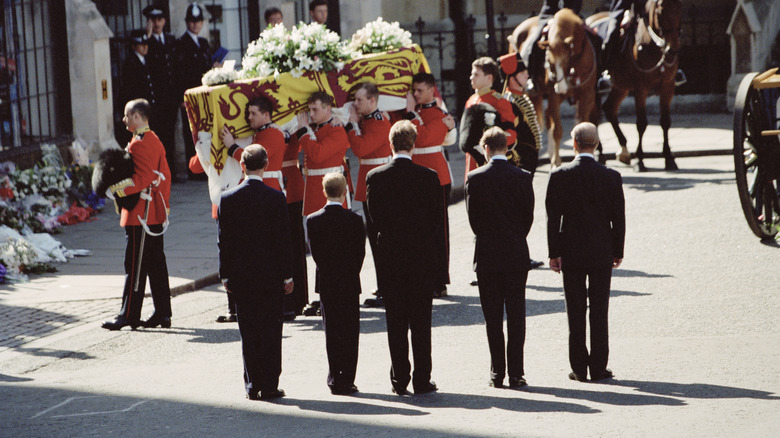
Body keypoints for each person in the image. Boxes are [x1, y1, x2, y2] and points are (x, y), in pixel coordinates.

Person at [365, 120, 447, 396]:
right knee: (421, 323)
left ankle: (400, 379)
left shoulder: (375, 177)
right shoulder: (429, 176)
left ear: (390, 144)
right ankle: (423, 379)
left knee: (396, 323)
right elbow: (437, 223)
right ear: (414, 144)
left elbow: (374, 220)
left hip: (391, 258)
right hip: (421, 258)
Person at [546, 122, 625, 382]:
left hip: (571, 250)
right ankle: (599, 367)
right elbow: (619, 219)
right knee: (599, 310)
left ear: (575, 144)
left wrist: (554, 252)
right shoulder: (611, 176)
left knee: (576, 310)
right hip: (601, 250)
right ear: (597, 144)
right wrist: (617, 250)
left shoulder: (559, 175)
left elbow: (553, 218)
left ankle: (579, 367)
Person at [218, 144, 294, 401]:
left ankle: (252, 384)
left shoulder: (227, 199)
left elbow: (224, 242)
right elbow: (284, 241)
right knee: (272, 330)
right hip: (271, 276)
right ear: (266, 165)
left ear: (242, 166)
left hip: (242, 277)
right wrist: (287, 275)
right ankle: (271, 384)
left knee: (248, 332)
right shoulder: (276, 198)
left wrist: (225, 275)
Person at [465, 126, 534, 389]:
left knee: (492, 317)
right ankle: (517, 372)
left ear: (486, 149)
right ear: (507, 148)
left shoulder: (475, 177)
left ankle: (497, 373)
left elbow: (474, 222)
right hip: (516, 252)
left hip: (488, 254)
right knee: (517, 315)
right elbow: (527, 218)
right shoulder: (523, 176)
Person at [102, 99, 172, 331]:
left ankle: (128, 314)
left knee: (135, 265)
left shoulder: (138, 144)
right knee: (155, 265)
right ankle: (163, 313)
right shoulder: (154, 139)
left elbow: (140, 179)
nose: (124, 119)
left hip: (140, 213)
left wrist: (115, 189)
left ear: (136, 117)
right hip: (154, 212)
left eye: (126, 115)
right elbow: (165, 176)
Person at [306, 173, 365, 395]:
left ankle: (334, 378)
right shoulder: (355, 219)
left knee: (331, 331)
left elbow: (316, 255)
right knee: (349, 331)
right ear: (344, 192)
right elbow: (360, 253)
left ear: (324, 192)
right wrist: (349, 273)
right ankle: (348, 378)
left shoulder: (313, 220)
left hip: (328, 282)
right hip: (349, 281)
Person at [402, 72, 455, 299]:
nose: (415, 94)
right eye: (413, 90)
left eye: (420, 90)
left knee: (438, 232)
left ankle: (439, 280)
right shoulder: (417, 113)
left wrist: (412, 114)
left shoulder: (439, 114)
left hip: (436, 178)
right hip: (415, 175)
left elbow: (422, 139)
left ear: (432, 90)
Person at [498, 52, 545, 271]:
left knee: (523, 210)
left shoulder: (521, 97)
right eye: (523, 73)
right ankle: (518, 255)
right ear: (513, 77)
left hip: (527, 161)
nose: (527, 76)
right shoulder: (509, 100)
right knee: (519, 211)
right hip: (519, 162)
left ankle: (520, 253)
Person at [176, 2, 216, 180]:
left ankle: (205, 165)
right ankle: (194, 170)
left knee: (205, 131)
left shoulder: (203, 42)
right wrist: (181, 98)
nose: (195, 25)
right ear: (187, 22)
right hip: (191, 97)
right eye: (192, 21)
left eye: (198, 21)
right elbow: (180, 73)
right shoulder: (181, 43)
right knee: (191, 132)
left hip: (205, 97)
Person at [295, 91, 349, 216]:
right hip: (313, 188)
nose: (311, 114)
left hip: (330, 189)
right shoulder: (315, 128)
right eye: (309, 110)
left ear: (328, 109)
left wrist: (303, 132)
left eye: (315, 109)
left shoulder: (337, 131)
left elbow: (317, 155)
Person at [463, 57, 517, 179]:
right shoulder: (470, 100)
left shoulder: (499, 101)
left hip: (490, 161)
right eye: (472, 74)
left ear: (489, 77)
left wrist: (493, 146)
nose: (471, 78)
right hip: (472, 160)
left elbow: (511, 134)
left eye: (476, 74)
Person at [142, 5, 178, 178]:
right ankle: (160, 171)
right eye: (152, 20)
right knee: (158, 135)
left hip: (170, 97)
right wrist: (147, 38)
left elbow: (177, 68)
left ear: (164, 21)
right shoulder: (146, 42)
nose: (156, 23)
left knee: (170, 135)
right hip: (156, 98)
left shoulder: (170, 40)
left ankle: (171, 170)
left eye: (159, 19)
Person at [521, 0, 582, 94]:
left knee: (591, 37)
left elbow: (576, 4)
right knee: (535, 42)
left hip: (571, 17)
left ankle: (598, 75)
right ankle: (532, 77)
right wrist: (554, 18)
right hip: (549, 16)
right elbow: (549, 4)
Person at [120, 31, 155, 113]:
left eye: (146, 44)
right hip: (139, 108)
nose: (145, 47)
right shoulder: (131, 63)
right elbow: (131, 89)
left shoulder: (147, 60)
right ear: (134, 46)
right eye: (142, 45)